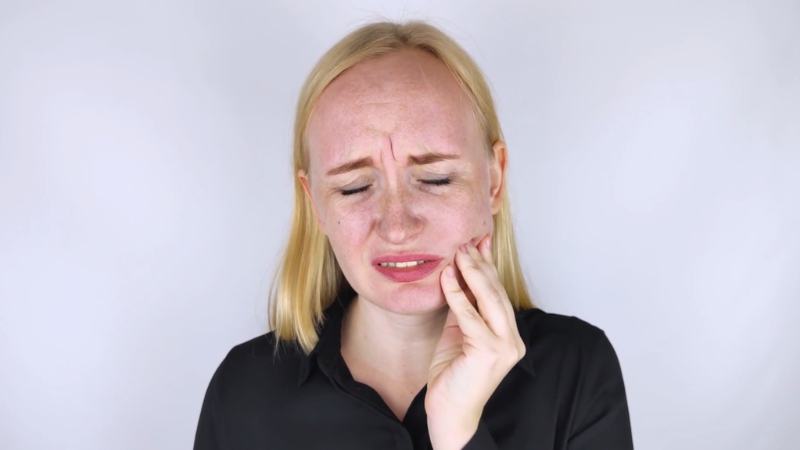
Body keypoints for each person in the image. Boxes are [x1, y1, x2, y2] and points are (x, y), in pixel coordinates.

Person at [193, 20, 633, 450]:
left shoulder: (578, 371)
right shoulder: (243, 393)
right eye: (354, 187)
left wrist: (459, 431)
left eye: (437, 179)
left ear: (494, 181)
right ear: (315, 205)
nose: (398, 226)